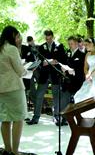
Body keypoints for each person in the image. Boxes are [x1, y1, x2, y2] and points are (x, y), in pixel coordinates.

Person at [27, 29, 66, 125]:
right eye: (46, 38)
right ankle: (36, 117)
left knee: (56, 96)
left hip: (55, 75)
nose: (48, 40)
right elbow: (40, 61)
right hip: (43, 76)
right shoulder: (41, 47)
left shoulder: (59, 46)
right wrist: (50, 61)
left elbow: (61, 58)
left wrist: (49, 61)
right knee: (39, 95)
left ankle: (56, 116)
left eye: (49, 38)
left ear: (52, 37)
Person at [0, 26, 27, 154]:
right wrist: (28, 69)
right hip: (14, 88)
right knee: (18, 118)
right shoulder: (11, 49)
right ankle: (15, 152)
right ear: (12, 35)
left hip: (1, 89)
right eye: (17, 36)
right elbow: (20, 71)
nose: (18, 39)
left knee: (5, 119)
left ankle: (7, 149)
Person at [60, 36, 86, 126]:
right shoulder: (68, 54)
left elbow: (83, 69)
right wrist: (64, 69)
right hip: (67, 81)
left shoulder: (82, 55)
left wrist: (74, 71)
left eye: (71, 43)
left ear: (76, 43)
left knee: (76, 101)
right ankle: (64, 119)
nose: (70, 45)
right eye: (69, 44)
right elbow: (66, 64)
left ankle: (78, 119)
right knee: (64, 99)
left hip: (77, 82)